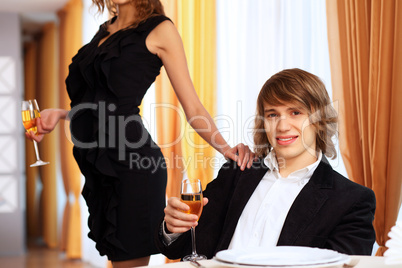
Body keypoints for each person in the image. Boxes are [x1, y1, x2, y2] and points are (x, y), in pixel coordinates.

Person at [25, 1, 254, 267]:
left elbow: (192, 106)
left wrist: (225, 148)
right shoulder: (105, 30)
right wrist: (60, 113)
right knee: (117, 258)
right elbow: (101, 101)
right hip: (97, 167)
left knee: (127, 260)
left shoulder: (160, 29)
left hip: (133, 166)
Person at [156, 68, 376, 260]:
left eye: (295, 112)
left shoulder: (352, 200)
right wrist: (173, 228)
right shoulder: (238, 172)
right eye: (272, 114)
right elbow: (181, 248)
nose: (282, 126)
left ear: (319, 121)